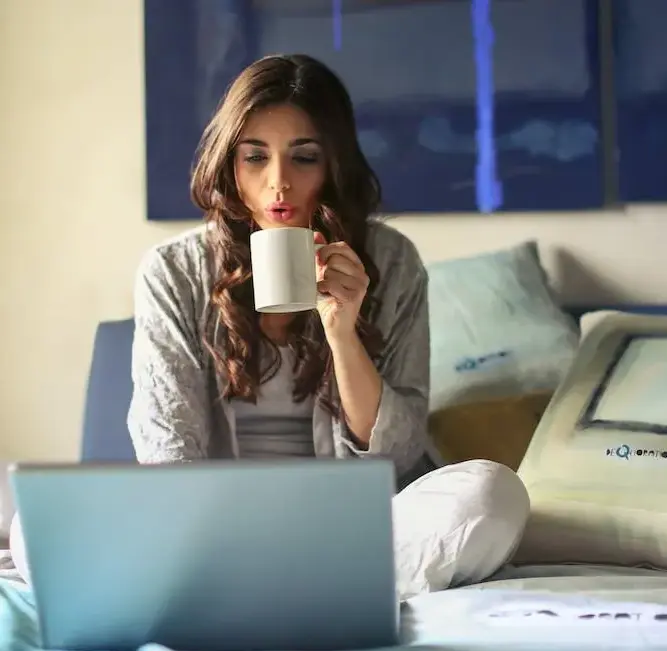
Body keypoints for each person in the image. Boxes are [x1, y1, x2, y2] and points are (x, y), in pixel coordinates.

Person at [11, 55, 530, 598]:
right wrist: (208, 532)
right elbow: (167, 447)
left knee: (494, 495)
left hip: (353, 530)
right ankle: (299, 585)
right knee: (37, 528)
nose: (278, 183)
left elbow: (396, 454)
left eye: (303, 157)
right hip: (212, 530)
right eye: (255, 157)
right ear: (229, 165)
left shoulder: (392, 263)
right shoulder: (174, 272)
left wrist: (342, 330)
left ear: (334, 164)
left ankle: (245, 588)